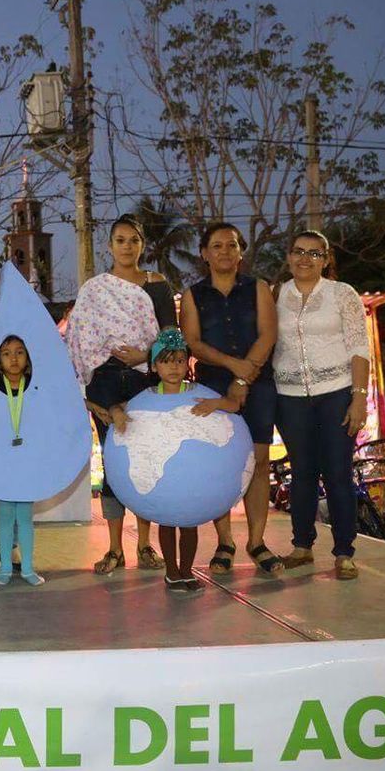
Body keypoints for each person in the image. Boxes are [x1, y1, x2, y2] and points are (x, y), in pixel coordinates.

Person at [65, 214, 172, 575]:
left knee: (143, 461)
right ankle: (114, 549)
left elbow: (170, 337)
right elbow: (79, 339)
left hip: (145, 381)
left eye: (134, 240)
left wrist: (147, 355)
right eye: (120, 240)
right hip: (106, 381)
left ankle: (145, 545)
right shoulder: (95, 290)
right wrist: (86, 389)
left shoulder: (157, 285)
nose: (127, 247)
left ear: (143, 245)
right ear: (109, 246)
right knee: (114, 463)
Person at [180, 223, 282, 577]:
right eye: (217, 246)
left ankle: (257, 541)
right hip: (213, 385)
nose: (224, 251)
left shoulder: (259, 289)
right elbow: (193, 342)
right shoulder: (193, 296)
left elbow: (268, 334)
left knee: (259, 460)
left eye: (232, 245)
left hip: (259, 381)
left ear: (241, 252)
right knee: (221, 463)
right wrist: (231, 368)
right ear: (204, 253)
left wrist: (244, 375)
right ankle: (225, 541)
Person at [273, 230, 370, 581]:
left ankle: (344, 552)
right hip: (290, 398)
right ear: (288, 256)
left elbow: (360, 347)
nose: (305, 259)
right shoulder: (276, 295)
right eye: (298, 252)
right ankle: (302, 546)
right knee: (301, 473)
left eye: (315, 254)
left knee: (338, 473)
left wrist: (359, 398)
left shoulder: (342, 294)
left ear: (326, 260)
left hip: (336, 394)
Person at [112, 329, 241, 591]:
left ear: (187, 364)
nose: (174, 366)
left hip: (190, 481)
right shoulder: (147, 396)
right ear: (155, 365)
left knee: (190, 523)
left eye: (180, 360)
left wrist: (215, 404)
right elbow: (119, 407)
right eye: (166, 361)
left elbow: (234, 406)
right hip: (165, 481)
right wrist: (116, 413)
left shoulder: (197, 392)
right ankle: (172, 571)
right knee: (168, 521)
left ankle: (186, 570)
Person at [0, 335, 44, 587]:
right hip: (2, 461)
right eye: (6, 353)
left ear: (28, 358)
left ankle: (28, 568)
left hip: (27, 462)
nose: (13, 358)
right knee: (4, 515)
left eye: (19, 352)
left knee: (24, 515)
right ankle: (3, 568)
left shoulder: (35, 387)